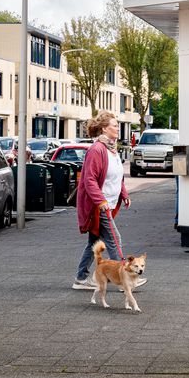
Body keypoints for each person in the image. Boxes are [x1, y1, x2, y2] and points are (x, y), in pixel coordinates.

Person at [71, 111, 146, 290]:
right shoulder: (97, 150)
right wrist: (100, 201)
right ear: (104, 128)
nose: (117, 128)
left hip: (109, 204)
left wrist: (124, 194)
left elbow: (116, 176)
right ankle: (125, 279)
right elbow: (88, 179)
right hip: (100, 206)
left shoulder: (112, 149)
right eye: (114, 125)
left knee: (94, 242)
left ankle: (80, 278)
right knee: (114, 239)